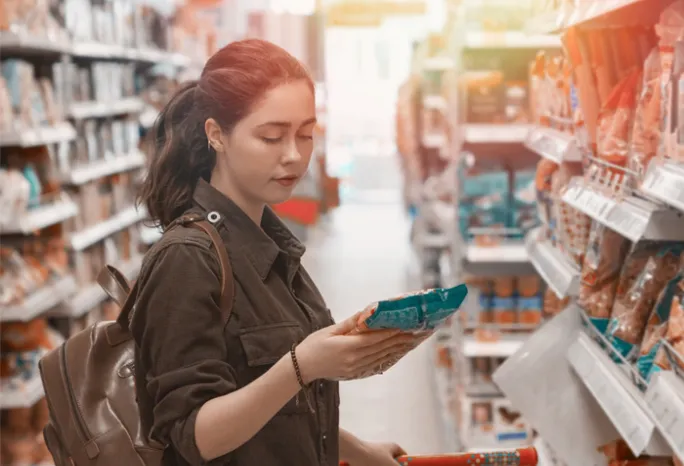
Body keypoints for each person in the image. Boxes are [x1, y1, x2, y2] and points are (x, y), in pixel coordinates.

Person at [134, 38, 421, 466]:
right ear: (217, 135)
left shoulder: (269, 245)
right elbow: (195, 437)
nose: (294, 155)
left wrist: (359, 452)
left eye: (305, 135)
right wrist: (303, 364)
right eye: (271, 137)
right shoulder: (188, 260)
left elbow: (270, 406)